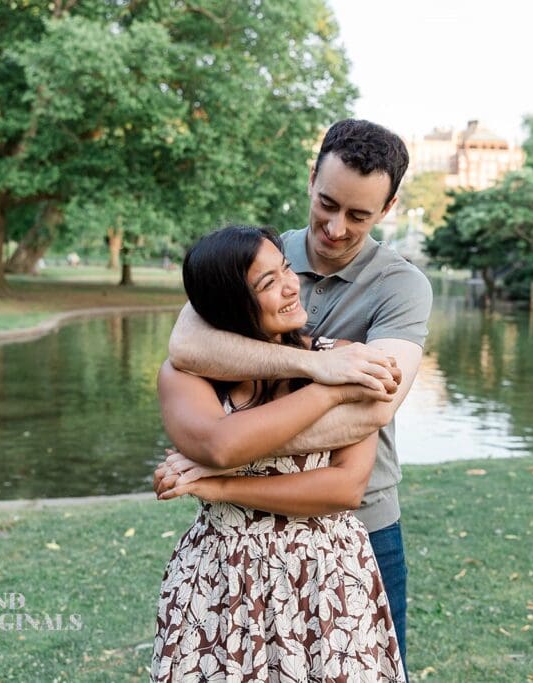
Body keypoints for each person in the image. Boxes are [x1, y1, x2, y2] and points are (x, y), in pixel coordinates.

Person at [155, 119, 432, 674]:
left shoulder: (402, 287)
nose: (334, 227)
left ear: (389, 207)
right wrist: (321, 366)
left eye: (358, 215)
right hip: (234, 547)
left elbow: (374, 408)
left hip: (357, 528)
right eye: (327, 203)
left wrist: (223, 453)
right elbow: (186, 343)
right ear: (311, 179)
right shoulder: (255, 255)